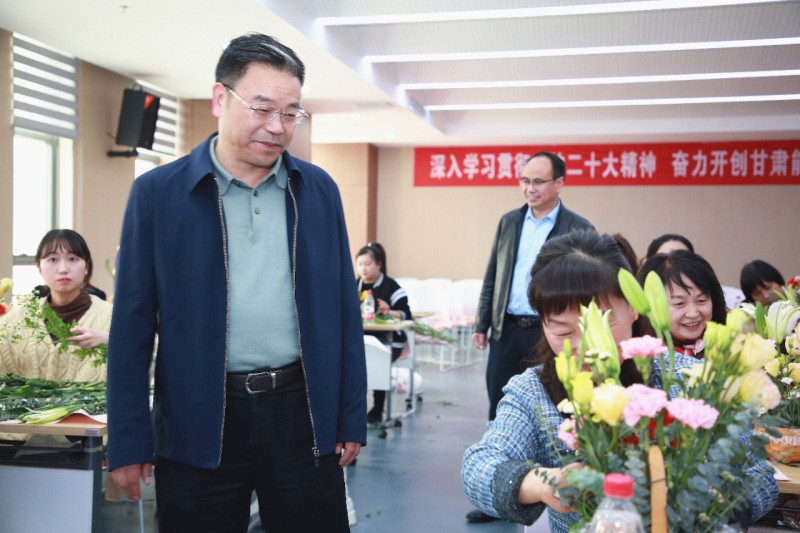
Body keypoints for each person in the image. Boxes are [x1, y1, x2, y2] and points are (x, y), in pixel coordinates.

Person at [106, 33, 366, 533]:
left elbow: (342, 311)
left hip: (302, 414)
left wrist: (350, 416)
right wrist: (129, 439)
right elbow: (131, 329)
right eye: (262, 108)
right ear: (220, 99)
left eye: (290, 113)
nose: (277, 127)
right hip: (198, 417)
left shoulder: (317, 191)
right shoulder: (159, 194)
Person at [461, 231, 777, 532]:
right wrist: (545, 483)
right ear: (542, 325)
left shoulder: (688, 378)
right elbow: (480, 467)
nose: (587, 345)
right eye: (563, 331)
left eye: (603, 322)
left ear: (634, 308)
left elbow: (759, 474)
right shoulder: (533, 391)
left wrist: (714, 505)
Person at [468, 151, 593, 523]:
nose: (529, 188)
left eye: (538, 181)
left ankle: (557, 488)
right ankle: (501, 494)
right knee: (500, 405)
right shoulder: (509, 221)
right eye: (525, 180)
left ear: (559, 183)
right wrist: (481, 323)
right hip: (507, 328)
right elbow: (493, 274)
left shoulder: (578, 227)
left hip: (550, 333)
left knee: (553, 408)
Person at [0, 229, 111, 382]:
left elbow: (145, 356)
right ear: (39, 266)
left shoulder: (111, 316)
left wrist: (110, 340)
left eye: (72, 259)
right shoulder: (19, 317)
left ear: (87, 266)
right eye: (53, 259)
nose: (63, 269)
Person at [356, 243, 412, 424]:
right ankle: (355, 408)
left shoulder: (391, 287)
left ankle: (378, 407)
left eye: (368, 264)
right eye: (360, 264)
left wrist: (390, 312)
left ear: (379, 265)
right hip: (361, 340)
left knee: (376, 359)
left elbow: (406, 315)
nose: (363, 269)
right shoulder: (354, 285)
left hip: (389, 341)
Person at [638, 250, 726, 359]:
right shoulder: (644, 357)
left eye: (701, 300)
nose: (693, 313)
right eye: (679, 303)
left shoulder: (731, 346)